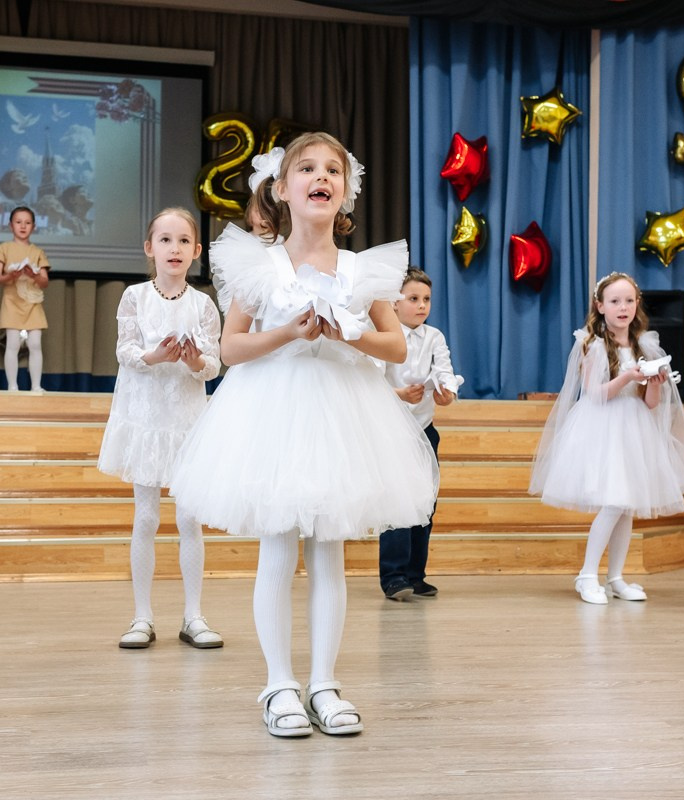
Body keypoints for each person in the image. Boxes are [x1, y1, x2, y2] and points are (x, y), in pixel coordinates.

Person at [169, 132, 438, 738]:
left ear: (345, 191)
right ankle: (278, 684)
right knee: (279, 551)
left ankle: (324, 682)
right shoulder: (256, 263)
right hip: (274, 411)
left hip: (342, 412)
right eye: (308, 169)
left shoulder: (362, 268)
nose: (322, 177)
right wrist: (288, 332)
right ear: (284, 188)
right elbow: (230, 347)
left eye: (334, 171)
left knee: (330, 555)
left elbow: (393, 343)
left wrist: (350, 337)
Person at [97, 207, 223, 650]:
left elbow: (212, 365)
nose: (175, 248)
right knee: (146, 517)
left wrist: (192, 361)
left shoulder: (204, 304)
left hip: (186, 422)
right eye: (165, 240)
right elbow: (125, 351)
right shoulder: (134, 296)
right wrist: (156, 357)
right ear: (150, 248)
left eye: (184, 241)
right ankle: (142, 616)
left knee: (190, 519)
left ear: (196, 251)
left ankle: (194, 615)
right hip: (146, 419)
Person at [529, 272, 684, 605]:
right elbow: (595, 394)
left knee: (626, 505)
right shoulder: (593, 344)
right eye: (615, 301)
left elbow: (650, 404)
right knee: (614, 501)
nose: (623, 307)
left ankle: (615, 576)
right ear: (600, 306)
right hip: (603, 427)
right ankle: (587, 574)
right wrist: (628, 376)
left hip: (634, 428)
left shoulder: (644, 344)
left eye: (629, 301)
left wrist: (654, 382)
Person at [379, 268, 459, 601]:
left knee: (426, 501)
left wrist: (446, 392)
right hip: (391, 428)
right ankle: (394, 577)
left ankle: (416, 573)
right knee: (398, 501)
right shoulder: (382, 335)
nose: (421, 305)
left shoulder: (434, 337)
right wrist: (400, 395)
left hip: (424, 429)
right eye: (413, 298)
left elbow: (445, 371)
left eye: (426, 299)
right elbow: (368, 382)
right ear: (394, 304)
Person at [0, 207, 49, 392]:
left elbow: (44, 281)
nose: (23, 226)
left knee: (35, 344)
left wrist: (33, 275)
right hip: (12, 301)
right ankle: (12, 386)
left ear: (33, 226)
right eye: (18, 222)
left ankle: (36, 386)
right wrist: (12, 276)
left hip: (33, 303)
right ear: (10, 225)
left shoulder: (37, 251)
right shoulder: (3, 249)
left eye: (27, 222)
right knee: (13, 344)